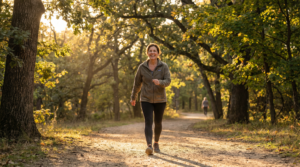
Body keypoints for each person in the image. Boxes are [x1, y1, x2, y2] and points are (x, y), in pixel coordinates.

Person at [130, 43, 171, 155]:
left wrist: (160, 82)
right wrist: (133, 97)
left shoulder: (164, 66)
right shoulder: (142, 67)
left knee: (158, 122)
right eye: (150, 51)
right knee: (148, 121)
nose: (152, 53)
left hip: (160, 99)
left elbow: (168, 81)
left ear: (158, 53)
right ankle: (149, 146)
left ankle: (156, 142)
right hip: (145, 99)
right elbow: (137, 83)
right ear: (147, 53)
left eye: (154, 51)